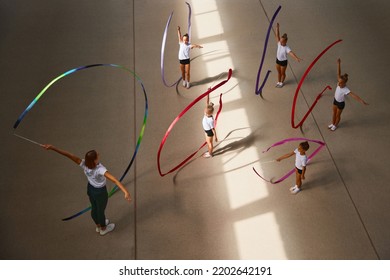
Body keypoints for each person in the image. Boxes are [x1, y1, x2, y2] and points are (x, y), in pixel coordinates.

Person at [42, 144, 131, 236]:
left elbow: (69, 155)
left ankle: (98, 225)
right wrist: (126, 191)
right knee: (100, 211)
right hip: (100, 192)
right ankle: (103, 228)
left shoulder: (84, 164)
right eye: (97, 155)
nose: (98, 154)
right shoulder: (100, 169)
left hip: (91, 189)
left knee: (94, 208)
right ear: (94, 160)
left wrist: (53, 148)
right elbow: (114, 180)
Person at [328, 58, 369, 131]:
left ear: (345, 83)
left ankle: (335, 125)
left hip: (340, 103)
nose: (339, 84)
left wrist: (361, 101)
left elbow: (354, 95)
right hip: (335, 100)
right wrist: (339, 64)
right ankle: (332, 123)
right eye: (339, 82)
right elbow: (338, 73)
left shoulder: (346, 89)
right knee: (334, 113)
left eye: (341, 83)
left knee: (338, 115)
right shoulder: (339, 81)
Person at [275, 23, 302, 88]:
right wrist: (277, 28)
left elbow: (291, 53)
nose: (280, 42)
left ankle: (281, 82)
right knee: (278, 72)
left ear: (285, 41)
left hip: (283, 62)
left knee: (282, 73)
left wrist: (296, 58)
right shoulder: (279, 43)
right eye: (280, 41)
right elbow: (277, 35)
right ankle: (278, 81)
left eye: (282, 42)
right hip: (278, 60)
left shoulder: (287, 48)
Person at [202, 93, 218, 158]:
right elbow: (207, 101)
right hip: (206, 130)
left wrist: (216, 137)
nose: (204, 112)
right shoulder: (207, 111)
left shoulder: (210, 120)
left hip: (209, 132)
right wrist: (208, 93)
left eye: (205, 112)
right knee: (208, 142)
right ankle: (209, 150)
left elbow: (213, 129)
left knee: (210, 143)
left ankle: (210, 153)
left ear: (208, 113)